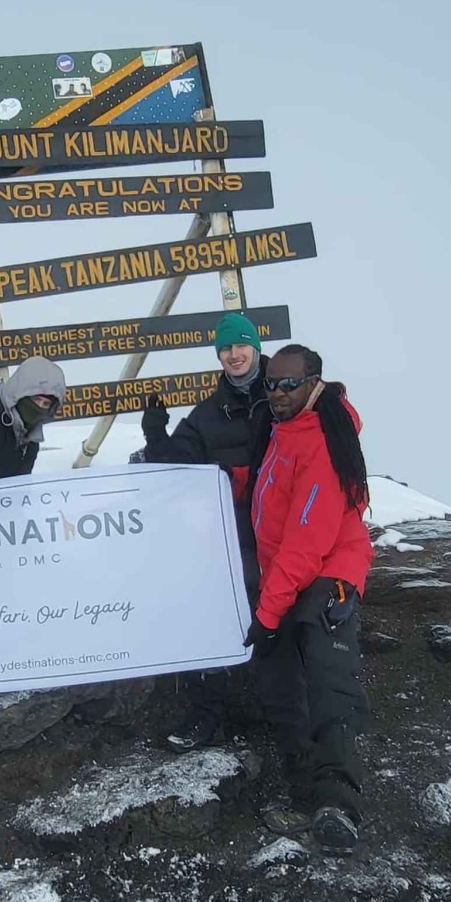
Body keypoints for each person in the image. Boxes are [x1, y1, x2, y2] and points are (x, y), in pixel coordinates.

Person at [242, 344, 374, 856]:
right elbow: (268, 492)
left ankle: (336, 803)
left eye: (287, 384)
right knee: (278, 684)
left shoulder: (321, 439)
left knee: (327, 683)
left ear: (314, 382)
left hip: (326, 575)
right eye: (270, 383)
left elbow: (306, 538)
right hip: (286, 574)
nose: (276, 393)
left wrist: (269, 612)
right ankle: (303, 794)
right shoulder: (283, 430)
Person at [141, 311, 269, 752]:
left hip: (286, 536)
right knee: (204, 612)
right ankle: (206, 713)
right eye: (226, 349)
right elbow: (177, 463)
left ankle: (284, 711)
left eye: (241, 346)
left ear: (255, 346)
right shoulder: (209, 412)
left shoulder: (286, 392)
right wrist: (156, 437)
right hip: (232, 538)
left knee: (285, 620)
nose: (234, 355)